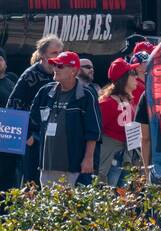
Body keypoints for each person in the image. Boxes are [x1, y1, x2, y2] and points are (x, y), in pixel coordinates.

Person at [27, 51, 101, 188]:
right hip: (47, 165)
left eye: (60, 66)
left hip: (73, 167)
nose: (55, 68)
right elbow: (32, 120)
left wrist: (88, 158)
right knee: (47, 206)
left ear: (73, 70)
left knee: (70, 207)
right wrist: (30, 136)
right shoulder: (45, 92)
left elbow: (93, 131)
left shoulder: (87, 94)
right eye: (54, 65)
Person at [8, 35, 62, 184]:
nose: (58, 57)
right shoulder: (30, 75)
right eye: (54, 53)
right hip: (34, 137)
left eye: (60, 53)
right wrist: (26, 134)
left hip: (53, 136)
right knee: (31, 181)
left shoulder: (60, 73)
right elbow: (13, 105)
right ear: (43, 55)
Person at [98, 58, 143, 186]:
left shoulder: (128, 100)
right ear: (124, 78)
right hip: (110, 159)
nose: (136, 77)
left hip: (126, 157)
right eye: (132, 73)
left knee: (123, 198)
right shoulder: (106, 103)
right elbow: (96, 132)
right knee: (109, 196)